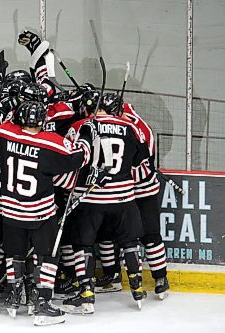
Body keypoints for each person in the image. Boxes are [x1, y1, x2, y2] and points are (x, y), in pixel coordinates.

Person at [0, 101, 95, 326]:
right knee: (48, 255)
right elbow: (80, 156)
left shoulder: (5, 133)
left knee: (15, 253)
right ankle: (43, 302)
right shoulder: (50, 142)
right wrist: (87, 135)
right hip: (39, 212)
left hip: (10, 208)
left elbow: (8, 122)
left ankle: (13, 296)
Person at [62, 92, 150, 314]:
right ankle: (137, 289)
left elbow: (70, 156)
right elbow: (141, 158)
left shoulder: (81, 125)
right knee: (130, 242)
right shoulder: (130, 127)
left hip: (89, 198)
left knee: (83, 245)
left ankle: (86, 294)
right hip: (123, 198)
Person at [95, 93, 170, 299]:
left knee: (147, 234)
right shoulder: (122, 123)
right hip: (124, 190)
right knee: (108, 232)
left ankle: (159, 278)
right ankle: (115, 276)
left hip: (137, 190)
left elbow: (143, 164)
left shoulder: (135, 128)